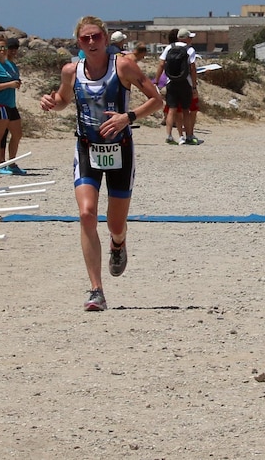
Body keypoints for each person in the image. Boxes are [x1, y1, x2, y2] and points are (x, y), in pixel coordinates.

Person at [40, 16, 163, 311]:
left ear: (106, 39)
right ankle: (96, 290)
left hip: (120, 150)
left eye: (96, 37)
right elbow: (63, 100)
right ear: (78, 43)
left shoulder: (123, 66)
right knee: (86, 214)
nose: (92, 43)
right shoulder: (71, 71)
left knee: (116, 223)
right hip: (87, 149)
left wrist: (127, 117)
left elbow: (157, 100)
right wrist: (51, 103)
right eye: (85, 39)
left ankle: (118, 243)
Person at [0, 36, 25, 176]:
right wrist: (9, 84)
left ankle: (11, 163)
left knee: (17, 133)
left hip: (10, 104)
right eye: (0, 48)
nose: (3, 50)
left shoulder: (11, 65)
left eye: (5, 47)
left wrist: (16, 83)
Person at [156, 28, 201, 145]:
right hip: (185, 83)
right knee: (186, 110)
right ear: (185, 38)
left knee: (172, 109)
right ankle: (189, 136)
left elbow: (161, 64)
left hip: (171, 82)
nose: (191, 39)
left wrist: (157, 80)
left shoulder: (169, 47)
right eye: (190, 37)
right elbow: (192, 68)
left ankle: (169, 136)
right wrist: (194, 86)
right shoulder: (189, 49)